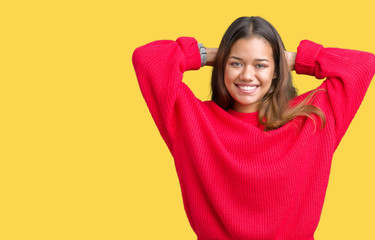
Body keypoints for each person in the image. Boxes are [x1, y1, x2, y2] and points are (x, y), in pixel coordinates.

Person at [132, 16, 375, 240]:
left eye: (260, 66)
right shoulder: (191, 119)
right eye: (236, 63)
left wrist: (291, 59)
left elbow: (363, 64)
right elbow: (146, 58)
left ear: (278, 70)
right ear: (222, 67)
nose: (247, 75)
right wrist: (212, 55)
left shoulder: (311, 118)